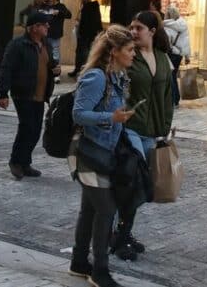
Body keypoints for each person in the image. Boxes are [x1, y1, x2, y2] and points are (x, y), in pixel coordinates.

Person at [68, 25, 138, 287]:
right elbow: (79, 114)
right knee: (106, 209)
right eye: (129, 49)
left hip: (103, 153)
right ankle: (100, 270)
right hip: (88, 152)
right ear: (115, 51)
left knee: (90, 209)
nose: (133, 54)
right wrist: (111, 117)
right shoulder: (97, 77)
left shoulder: (117, 77)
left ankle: (78, 262)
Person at [113, 11, 174, 261]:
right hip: (130, 127)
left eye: (139, 28)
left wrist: (165, 126)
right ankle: (119, 236)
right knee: (133, 183)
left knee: (138, 187)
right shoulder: (129, 56)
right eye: (132, 27)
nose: (134, 32)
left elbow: (168, 95)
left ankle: (123, 232)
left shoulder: (162, 58)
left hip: (153, 131)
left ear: (152, 31)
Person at [0, 12, 57, 180]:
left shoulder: (46, 44)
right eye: (44, 24)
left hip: (40, 94)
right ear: (35, 27)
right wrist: (3, 93)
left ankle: (25, 162)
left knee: (36, 130)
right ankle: (16, 161)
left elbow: (50, 64)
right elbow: (6, 68)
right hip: (23, 93)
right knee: (26, 127)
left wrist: (55, 69)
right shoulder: (18, 45)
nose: (48, 27)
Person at [39, 0, 72, 84]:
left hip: (55, 35)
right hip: (44, 35)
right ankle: (45, 73)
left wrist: (59, 13)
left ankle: (56, 75)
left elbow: (69, 15)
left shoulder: (61, 6)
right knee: (44, 54)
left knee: (55, 54)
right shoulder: (43, 6)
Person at [163, 6, 190, 108]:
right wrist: (187, 56)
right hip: (179, 55)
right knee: (173, 76)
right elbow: (187, 43)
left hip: (171, 53)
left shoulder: (167, 26)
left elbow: (166, 42)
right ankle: (176, 99)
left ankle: (173, 99)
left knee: (170, 76)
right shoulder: (183, 25)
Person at [73, 0, 103, 79]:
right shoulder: (90, 7)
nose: (81, 1)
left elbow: (85, 21)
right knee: (82, 52)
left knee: (83, 52)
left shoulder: (88, 7)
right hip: (87, 33)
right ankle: (79, 69)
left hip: (85, 34)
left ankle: (82, 70)